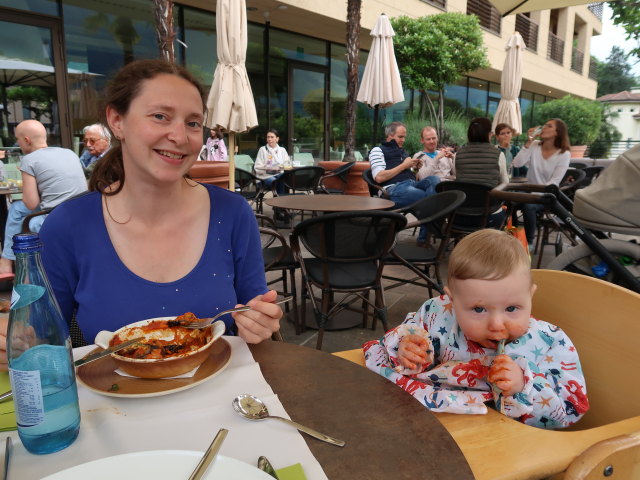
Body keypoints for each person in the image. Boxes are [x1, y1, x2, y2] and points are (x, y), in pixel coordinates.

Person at [0, 59, 282, 367]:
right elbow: (42, 337)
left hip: (220, 401)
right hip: (110, 406)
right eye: (160, 116)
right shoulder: (68, 225)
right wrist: (15, 341)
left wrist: (260, 323)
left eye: (192, 123)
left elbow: (253, 313)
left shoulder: (232, 213)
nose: (180, 136)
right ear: (117, 120)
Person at [364, 229, 589, 429]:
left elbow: (566, 415)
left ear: (530, 296)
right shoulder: (438, 314)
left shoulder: (550, 343)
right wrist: (408, 347)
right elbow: (411, 332)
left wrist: (522, 385)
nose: (497, 324)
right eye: (479, 309)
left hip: (504, 443)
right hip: (432, 423)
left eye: (512, 308)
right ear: (452, 301)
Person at [0, 119, 87, 279]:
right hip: (81, 211)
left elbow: (31, 202)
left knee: (19, 210)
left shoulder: (29, 160)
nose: (18, 144)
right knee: (18, 209)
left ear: (26, 140)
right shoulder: (69, 153)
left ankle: (8, 261)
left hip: (54, 215)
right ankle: (7, 260)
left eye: (18, 140)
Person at [369, 122, 440, 246]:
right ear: (390, 136)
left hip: (411, 184)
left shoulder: (403, 152)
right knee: (432, 200)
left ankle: (428, 233)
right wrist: (403, 166)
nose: (403, 140)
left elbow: (413, 175)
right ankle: (435, 231)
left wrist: (416, 168)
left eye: (404, 137)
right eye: (400, 137)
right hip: (393, 189)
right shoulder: (377, 150)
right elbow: (379, 177)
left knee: (434, 180)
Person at [511, 118, 571, 250]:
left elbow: (554, 183)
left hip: (546, 195)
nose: (544, 128)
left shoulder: (564, 154)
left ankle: (529, 242)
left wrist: (533, 195)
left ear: (557, 132)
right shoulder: (535, 145)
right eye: (544, 125)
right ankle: (511, 237)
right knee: (508, 199)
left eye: (549, 126)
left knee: (529, 206)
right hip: (529, 190)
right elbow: (517, 163)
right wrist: (529, 141)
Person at [455, 117, 509, 187]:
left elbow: (458, 175)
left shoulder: (458, 154)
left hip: (463, 197)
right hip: (489, 197)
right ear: (489, 134)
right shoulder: (498, 155)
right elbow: (505, 182)